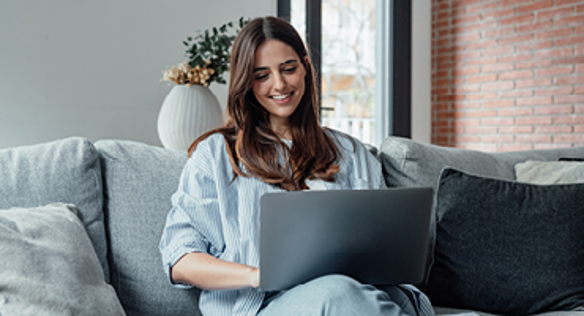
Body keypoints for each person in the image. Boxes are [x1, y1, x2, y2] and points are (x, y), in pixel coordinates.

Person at [159, 16, 434, 316]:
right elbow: (180, 259)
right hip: (264, 305)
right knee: (337, 294)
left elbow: (385, 246)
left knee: (381, 297)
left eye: (288, 69)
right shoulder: (214, 155)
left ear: (305, 67)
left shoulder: (350, 153)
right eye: (261, 75)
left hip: (359, 295)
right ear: (245, 82)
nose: (279, 84)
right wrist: (256, 275)